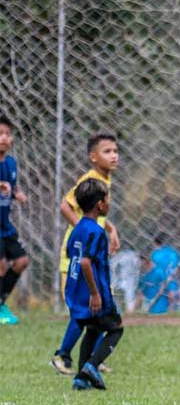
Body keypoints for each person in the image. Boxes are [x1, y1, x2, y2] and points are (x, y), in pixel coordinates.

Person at [51, 132, 120, 375]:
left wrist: (110, 229)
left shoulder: (105, 179)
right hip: (81, 258)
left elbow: (98, 215)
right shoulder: (90, 179)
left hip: (89, 254)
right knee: (87, 307)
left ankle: (92, 359)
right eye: (107, 151)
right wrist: (84, 229)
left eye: (115, 150)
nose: (114, 156)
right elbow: (65, 205)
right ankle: (63, 356)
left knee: (97, 307)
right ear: (93, 157)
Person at [64, 179, 124, 391]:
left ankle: (80, 379)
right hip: (95, 292)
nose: (109, 202)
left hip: (76, 290)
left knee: (93, 328)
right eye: (107, 198)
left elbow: (71, 253)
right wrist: (95, 293)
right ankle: (91, 365)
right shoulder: (96, 231)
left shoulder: (78, 227)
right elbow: (86, 262)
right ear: (100, 204)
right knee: (116, 328)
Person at [0, 115, 29, 325]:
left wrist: (17, 194)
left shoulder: (10, 163)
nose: (3, 138)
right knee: (0, 265)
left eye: (7, 134)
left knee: (21, 261)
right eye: (0, 134)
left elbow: (12, 187)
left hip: (5, 225)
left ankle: (1, 302)